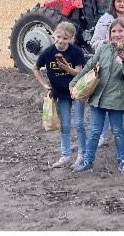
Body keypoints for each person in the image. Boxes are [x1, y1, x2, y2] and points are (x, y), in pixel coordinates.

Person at [71, 19, 124, 174]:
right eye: (114, 31)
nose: (117, 34)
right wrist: (75, 81)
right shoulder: (104, 49)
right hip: (98, 96)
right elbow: (89, 66)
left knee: (118, 131)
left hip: (117, 98)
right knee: (95, 131)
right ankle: (88, 161)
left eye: (120, 31)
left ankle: (122, 161)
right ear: (110, 34)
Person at [32, 22, 86, 169]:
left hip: (76, 92)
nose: (61, 41)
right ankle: (65, 155)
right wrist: (44, 84)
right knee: (65, 125)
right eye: (59, 37)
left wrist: (67, 68)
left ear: (71, 39)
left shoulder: (76, 52)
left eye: (65, 38)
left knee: (79, 124)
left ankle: (82, 154)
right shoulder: (48, 53)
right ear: (53, 35)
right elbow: (35, 68)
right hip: (60, 94)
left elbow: (80, 72)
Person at [90, 0, 124, 146]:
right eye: (119, 1)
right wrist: (107, 44)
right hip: (109, 63)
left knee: (121, 97)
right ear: (114, 3)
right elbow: (94, 42)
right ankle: (102, 135)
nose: (122, 4)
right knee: (106, 97)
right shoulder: (106, 20)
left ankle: (118, 128)